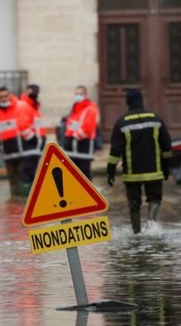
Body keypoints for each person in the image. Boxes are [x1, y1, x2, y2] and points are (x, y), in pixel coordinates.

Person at [106, 89, 172, 234]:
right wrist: (166, 168)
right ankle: (152, 228)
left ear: (127, 102)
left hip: (132, 173)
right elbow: (166, 146)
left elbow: (115, 151)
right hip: (154, 172)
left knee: (134, 203)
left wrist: (110, 171)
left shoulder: (122, 122)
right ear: (142, 100)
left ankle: (136, 232)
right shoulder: (156, 119)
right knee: (154, 199)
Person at [0, 86, 39, 197]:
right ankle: (15, 202)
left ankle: (24, 203)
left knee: (23, 178)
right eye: (1, 97)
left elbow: (28, 123)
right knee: (13, 180)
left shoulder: (20, 107)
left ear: (10, 96)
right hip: (8, 153)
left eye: (6, 96)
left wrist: (32, 139)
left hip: (23, 151)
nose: (4, 99)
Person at [62, 85, 98, 179]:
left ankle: (87, 192)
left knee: (84, 170)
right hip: (73, 143)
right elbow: (72, 125)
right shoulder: (76, 109)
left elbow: (88, 128)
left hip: (83, 143)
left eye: (80, 94)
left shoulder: (90, 109)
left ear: (86, 95)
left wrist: (75, 136)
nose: (78, 96)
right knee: (73, 171)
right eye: (76, 94)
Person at [20, 84, 47, 185]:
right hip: (30, 144)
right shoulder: (24, 105)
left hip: (36, 144)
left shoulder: (34, 106)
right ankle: (26, 195)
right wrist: (32, 139)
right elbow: (23, 125)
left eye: (36, 92)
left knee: (32, 170)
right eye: (32, 92)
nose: (35, 94)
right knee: (28, 170)